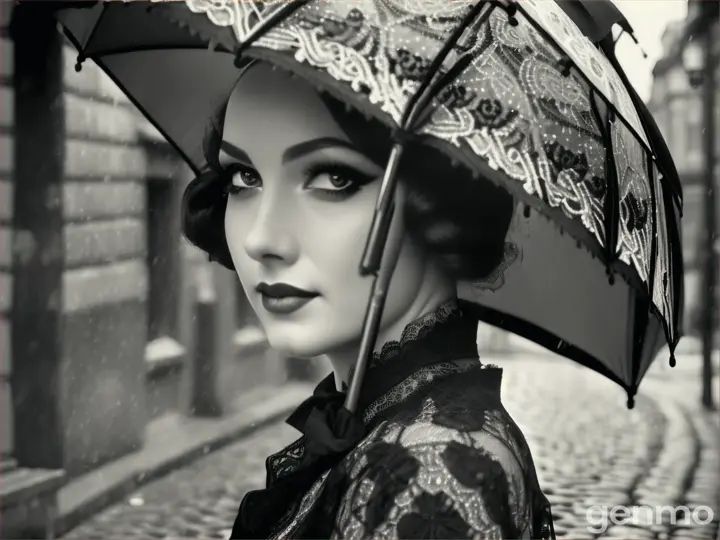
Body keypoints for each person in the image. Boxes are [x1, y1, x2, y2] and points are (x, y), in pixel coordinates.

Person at [182, 61, 555, 539]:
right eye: (243, 178)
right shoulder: (395, 424)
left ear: (439, 197)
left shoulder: (431, 469)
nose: (261, 238)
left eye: (334, 178)